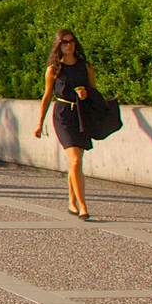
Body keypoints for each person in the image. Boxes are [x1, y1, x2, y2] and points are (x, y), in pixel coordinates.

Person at [35, 29, 98, 220]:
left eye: (71, 42)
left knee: (75, 162)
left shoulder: (85, 66)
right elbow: (47, 96)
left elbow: (94, 90)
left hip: (81, 114)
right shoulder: (54, 69)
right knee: (76, 160)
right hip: (63, 115)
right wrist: (39, 123)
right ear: (58, 45)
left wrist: (86, 94)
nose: (68, 45)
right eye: (64, 42)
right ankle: (83, 206)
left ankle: (71, 202)